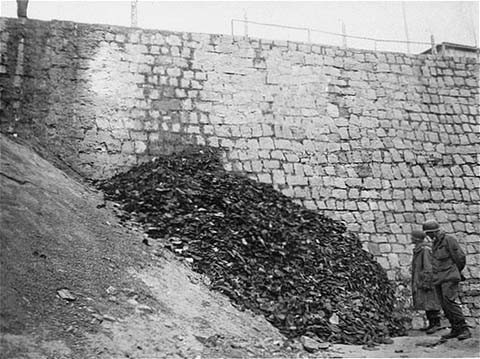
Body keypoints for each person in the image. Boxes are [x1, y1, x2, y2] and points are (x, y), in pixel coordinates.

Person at [423, 220, 471, 340]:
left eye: (429, 233)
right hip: (439, 278)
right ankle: (455, 329)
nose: (428, 236)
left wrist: (455, 271)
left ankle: (464, 328)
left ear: (434, 231)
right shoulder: (435, 243)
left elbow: (460, 258)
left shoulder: (449, 240)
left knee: (450, 302)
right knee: (444, 304)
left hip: (450, 276)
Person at [410, 229, 442, 334]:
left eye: (412, 236)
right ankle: (431, 323)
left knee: (431, 301)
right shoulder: (419, 249)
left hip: (426, 280)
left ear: (417, 238)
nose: (411, 238)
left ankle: (436, 324)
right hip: (420, 279)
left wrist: (427, 280)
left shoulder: (425, 250)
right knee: (426, 302)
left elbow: (428, 266)